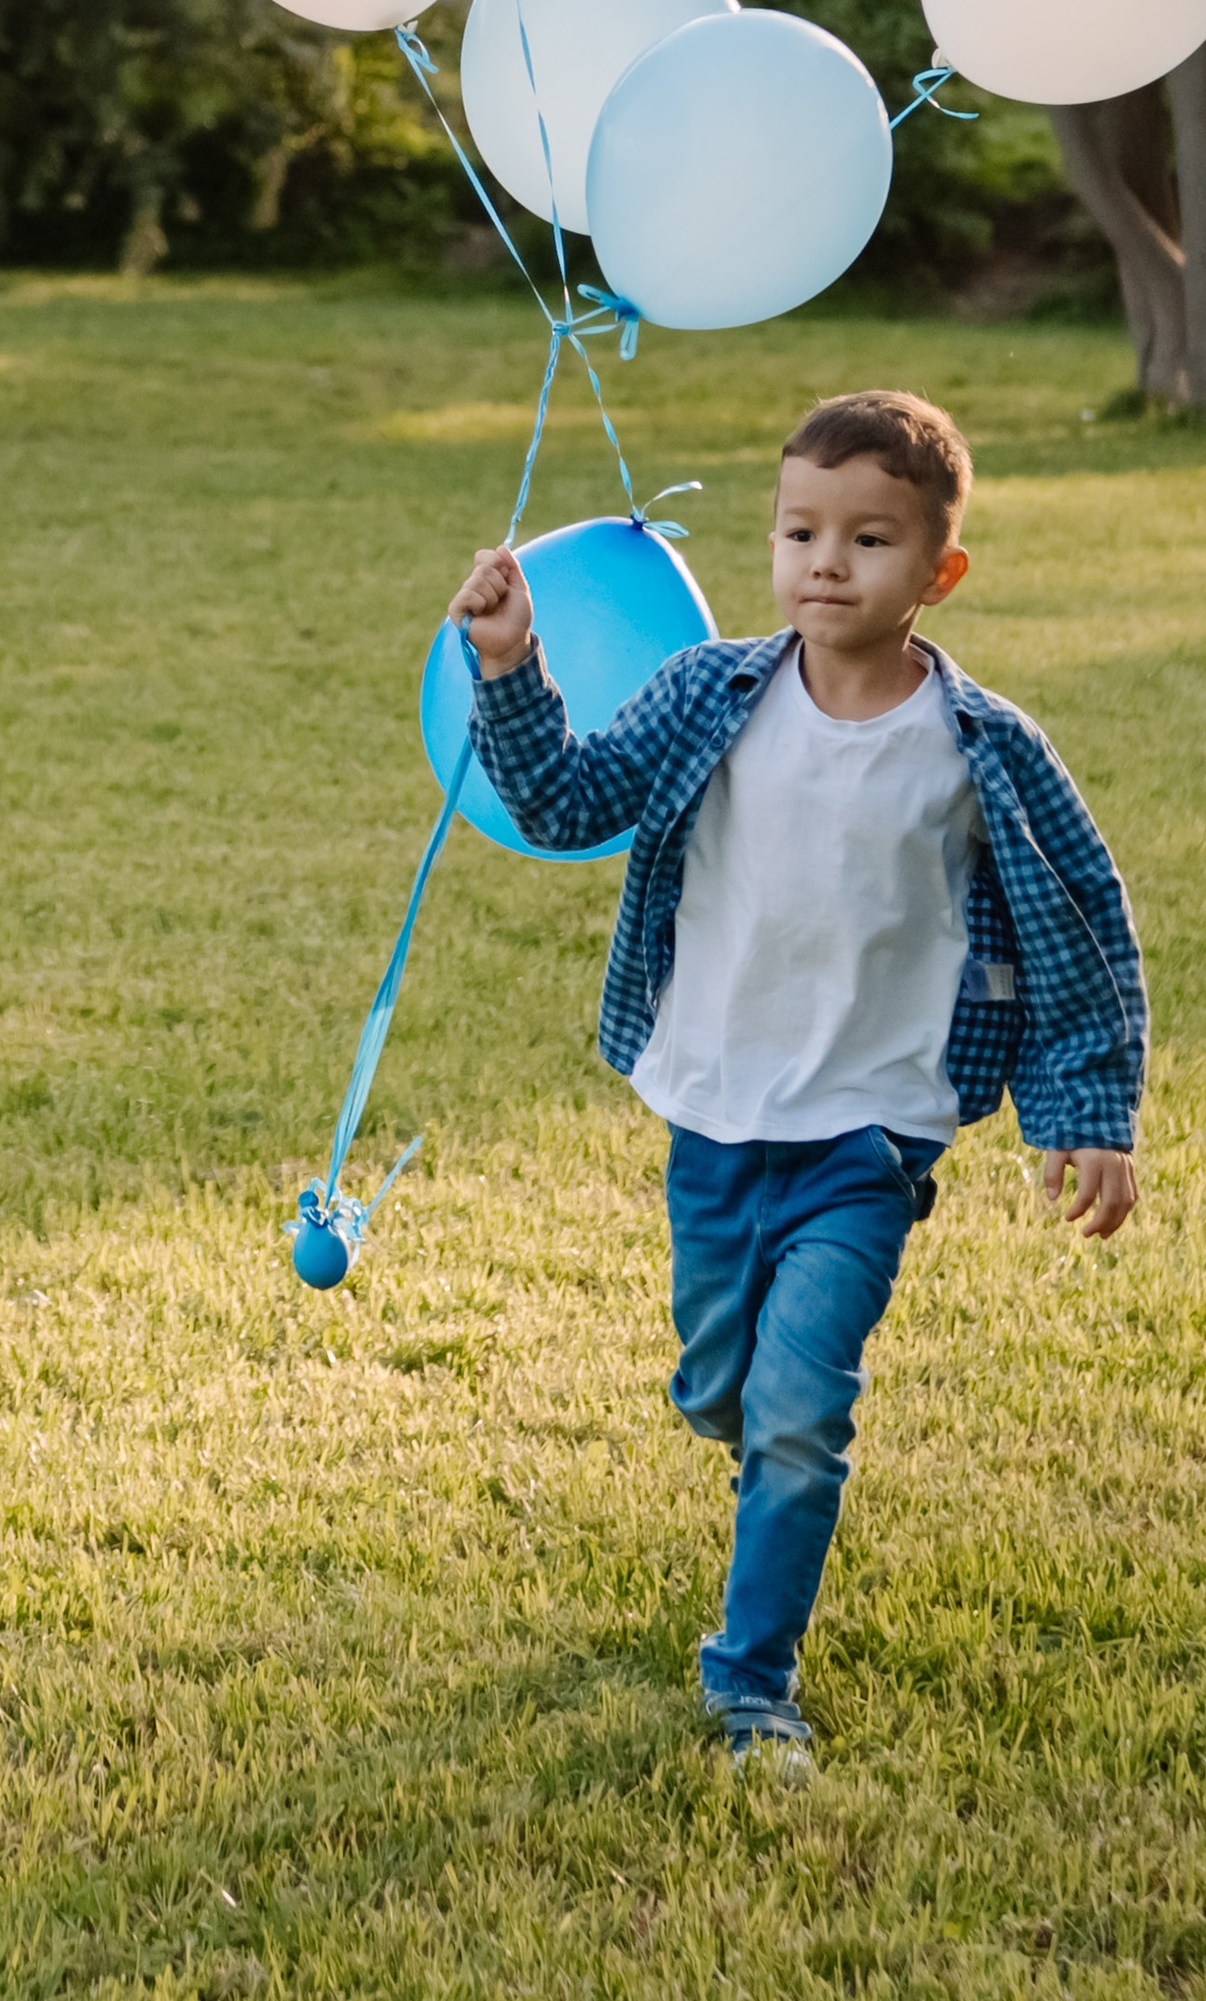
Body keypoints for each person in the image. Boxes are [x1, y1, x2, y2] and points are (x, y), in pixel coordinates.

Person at [447, 386, 1147, 1776]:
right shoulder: (714, 696)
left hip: (872, 1138)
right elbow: (570, 803)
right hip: (715, 1110)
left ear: (937, 572)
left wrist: (1091, 1115)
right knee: (722, 1387)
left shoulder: (980, 748)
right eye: (800, 531)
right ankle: (743, 1429)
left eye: (870, 539)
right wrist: (514, 665)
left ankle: (750, 1682)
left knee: (800, 1407)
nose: (827, 563)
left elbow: (1080, 921)